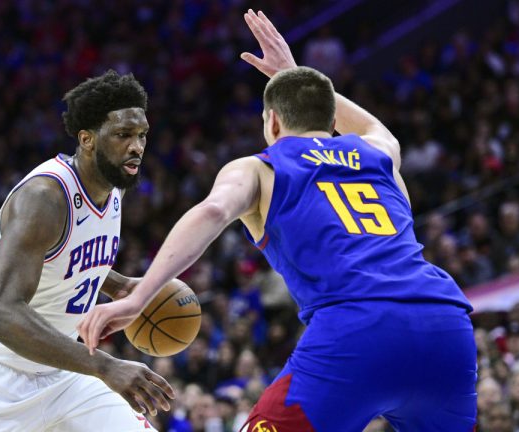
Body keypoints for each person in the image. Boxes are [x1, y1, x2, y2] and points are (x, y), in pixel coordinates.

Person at [79, 10, 477, 431]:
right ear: (330, 119)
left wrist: (136, 299)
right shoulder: (380, 153)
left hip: (358, 330)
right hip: (445, 325)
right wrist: (294, 74)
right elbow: (377, 127)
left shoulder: (259, 168)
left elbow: (212, 211)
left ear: (271, 121)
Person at [0, 70, 174, 431]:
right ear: (87, 139)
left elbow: (66, 257)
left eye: (141, 135)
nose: (136, 146)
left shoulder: (113, 189)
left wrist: (121, 287)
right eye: (123, 135)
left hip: (63, 375)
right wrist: (106, 366)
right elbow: (1, 313)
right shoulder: (45, 198)